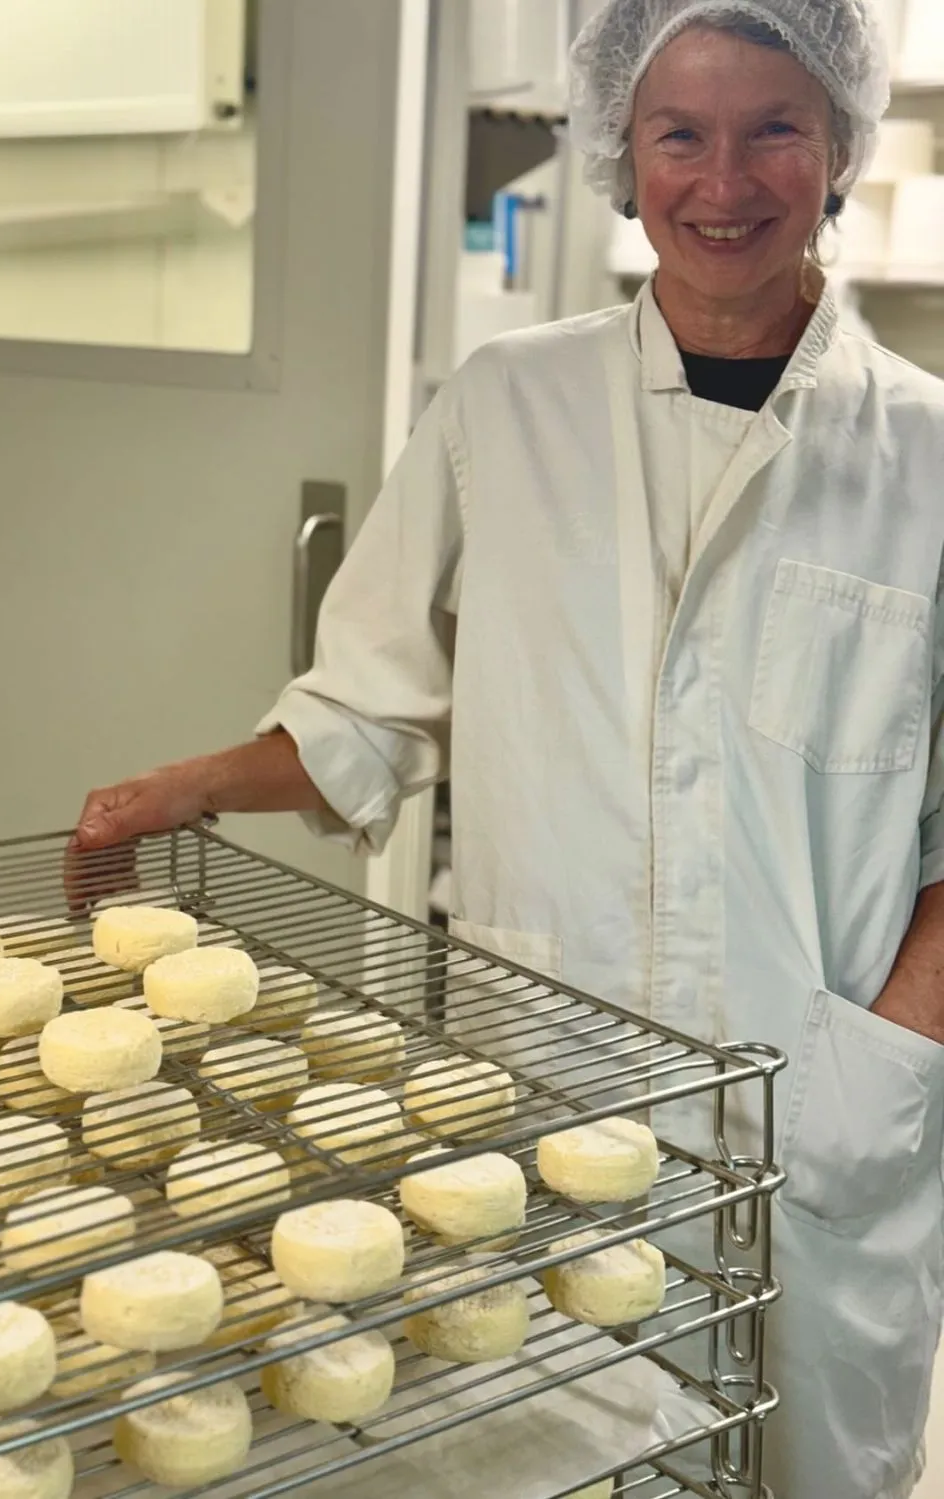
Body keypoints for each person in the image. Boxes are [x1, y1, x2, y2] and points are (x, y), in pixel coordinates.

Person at [71, 2, 944, 1495]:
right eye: (679, 132)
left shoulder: (927, 457)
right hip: (542, 1079)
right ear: (618, 144)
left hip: (817, 1111)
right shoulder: (508, 403)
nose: (721, 180)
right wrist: (191, 783)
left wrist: (892, 1057)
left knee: (804, 1465)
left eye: (773, 128)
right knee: (544, 1450)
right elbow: (370, 703)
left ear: (841, 145)